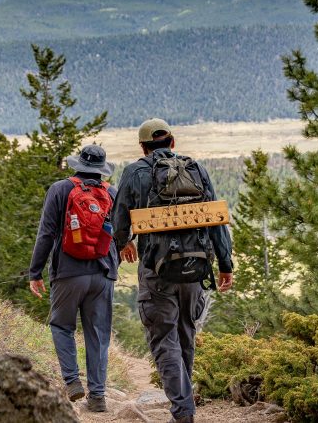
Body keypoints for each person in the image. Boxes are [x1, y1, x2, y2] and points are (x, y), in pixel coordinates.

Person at [111, 118, 234, 423]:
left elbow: (119, 221)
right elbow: (215, 220)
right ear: (173, 143)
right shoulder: (196, 169)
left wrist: (124, 243)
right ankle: (184, 405)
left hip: (158, 270)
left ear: (142, 146)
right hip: (196, 268)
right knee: (185, 334)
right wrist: (225, 264)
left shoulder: (135, 171)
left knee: (164, 337)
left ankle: (182, 409)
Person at [29, 144, 119, 413]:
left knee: (61, 326)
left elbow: (46, 233)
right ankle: (98, 396)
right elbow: (123, 233)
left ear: (78, 164)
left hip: (68, 272)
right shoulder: (112, 193)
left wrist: (35, 272)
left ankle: (72, 381)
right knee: (98, 335)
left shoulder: (60, 189)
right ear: (102, 170)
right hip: (103, 273)